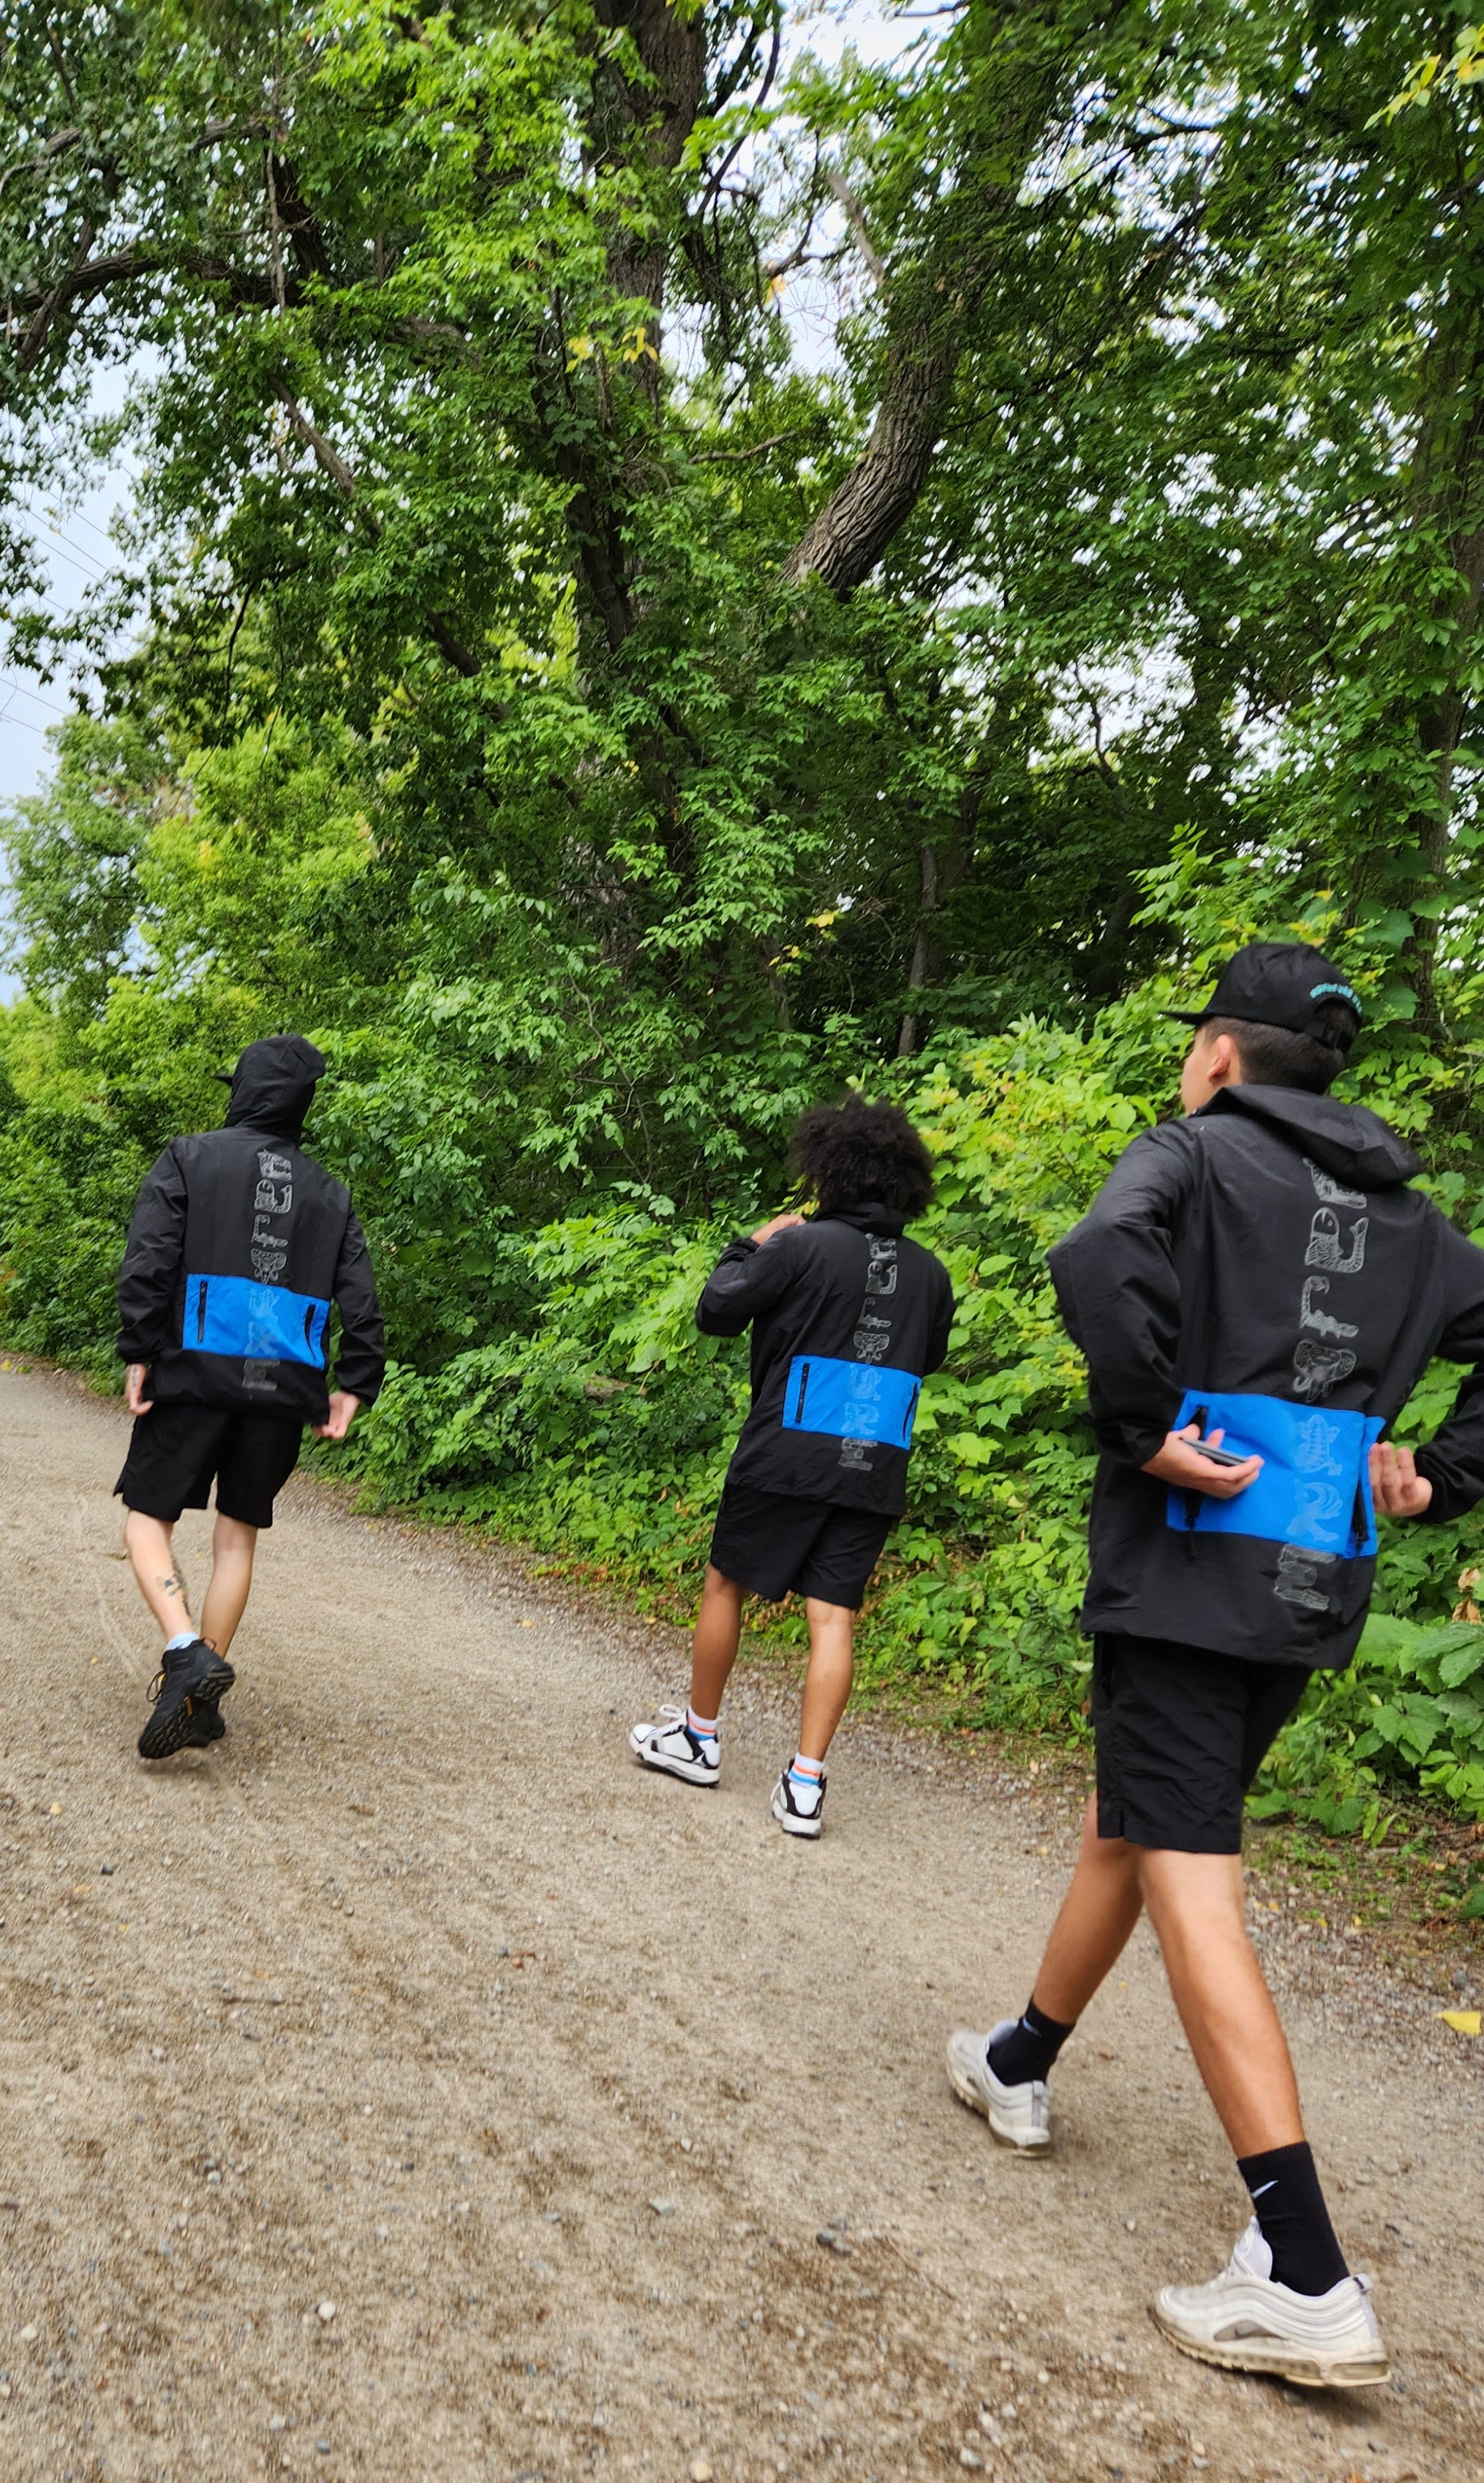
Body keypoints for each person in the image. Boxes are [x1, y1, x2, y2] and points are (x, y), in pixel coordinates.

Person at [947, 940, 1484, 2389]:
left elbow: (1093, 1255)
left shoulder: (1193, 1157)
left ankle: (1303, 2266)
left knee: (1190, 1869)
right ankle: (1020, 2059)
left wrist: (1141, 1425)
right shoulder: (1421, 1224)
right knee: (1137, 1818)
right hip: (1312, 1580)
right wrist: (1440, 1472)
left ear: (1222, 1054)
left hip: (1188, 1564)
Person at [631, 1096, 955, 1836]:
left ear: (826, 1170)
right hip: (874, 1459)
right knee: (834, 1615)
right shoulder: (931, 1273)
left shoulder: (800, 1246)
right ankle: (806, 1785)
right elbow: (928, 1357)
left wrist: (750, 1244)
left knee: (726, 1583)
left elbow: (717, 1310)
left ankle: (698, 1737)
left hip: (785, 1450)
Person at [113, 1033, 386, 1758]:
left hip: (194, 1374)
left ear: (242, 1090)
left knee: (146, 1521)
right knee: (237, 1536)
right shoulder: (331, 1192)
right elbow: (360, 1298)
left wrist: (140, 1349)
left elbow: (150, 1257)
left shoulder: (190, 1158)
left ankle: (184, 1651)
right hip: (282, 1385)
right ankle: (199, 1696)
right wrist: (355, 1384)